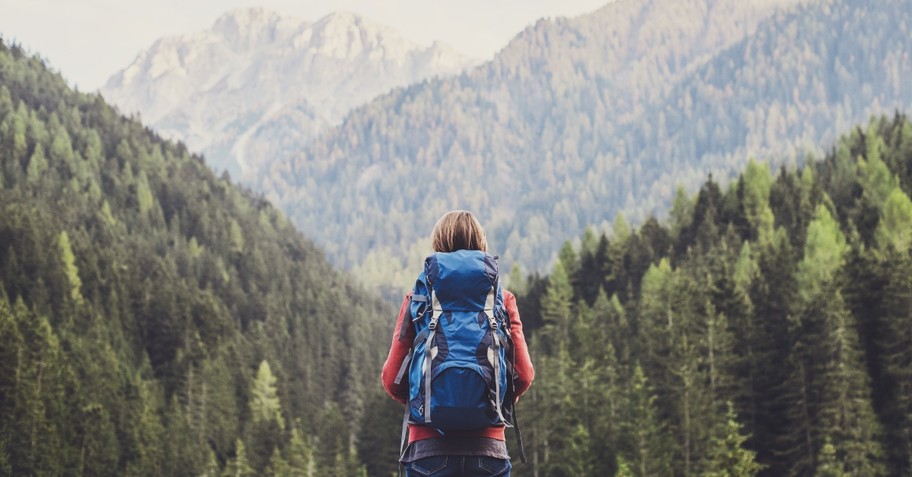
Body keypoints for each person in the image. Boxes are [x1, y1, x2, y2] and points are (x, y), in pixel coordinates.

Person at [381, 210, 535, 477]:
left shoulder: (417, 299)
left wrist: (428, 401)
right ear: (481, 242)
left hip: (428, 451)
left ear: (438, 242)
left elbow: (391, 379)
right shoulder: (503, 299)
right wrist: (492, 401)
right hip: (489, 451)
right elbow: (524, 375)